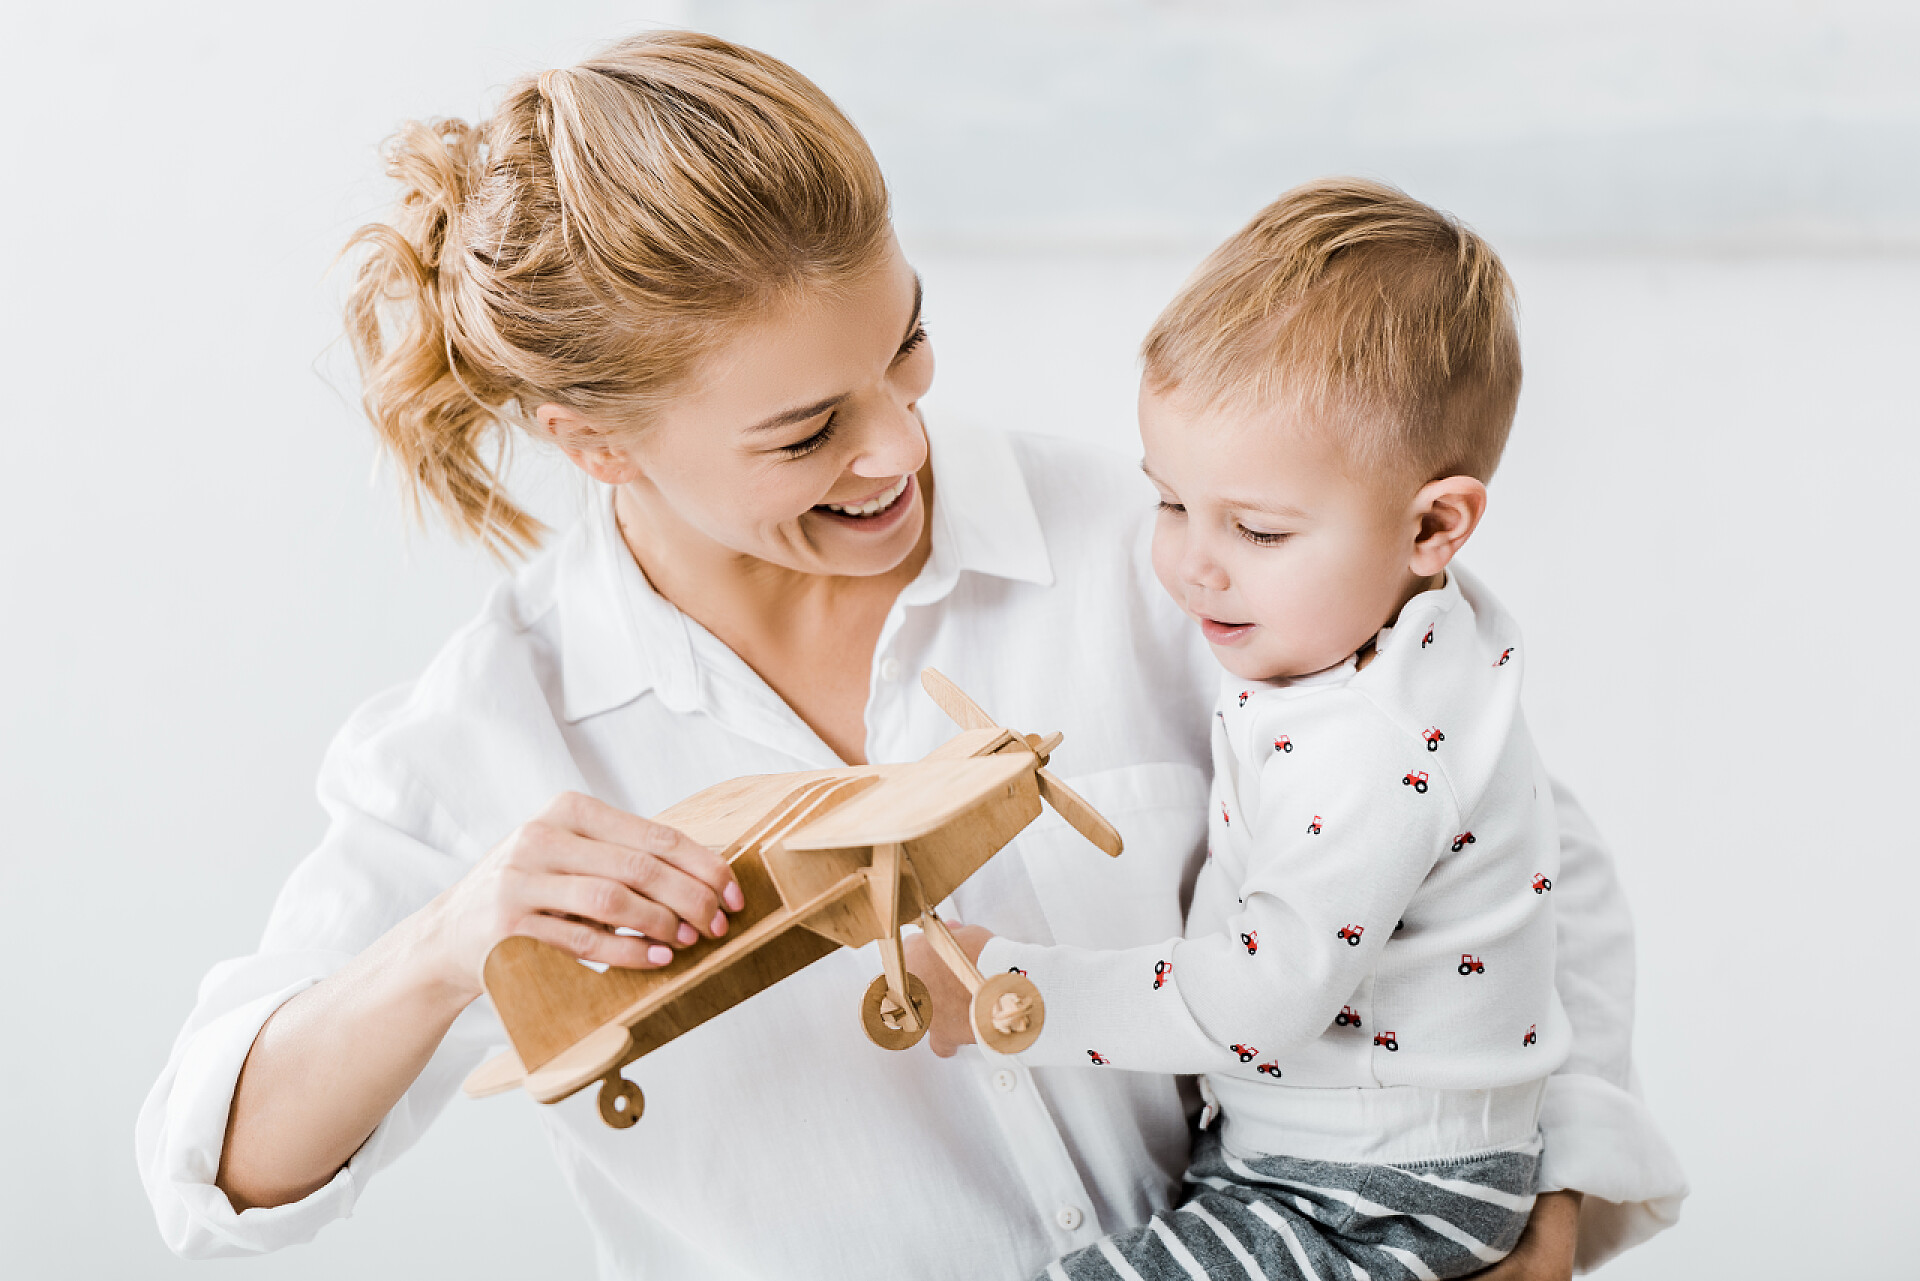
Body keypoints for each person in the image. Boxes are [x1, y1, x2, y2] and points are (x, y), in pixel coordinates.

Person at [135, 31, 1684, 1280]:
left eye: (907, 344)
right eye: (809, 428)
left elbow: (1522, 854)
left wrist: (1545, 1215)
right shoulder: (492, 734)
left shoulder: (1167, 551)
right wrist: (449, 939)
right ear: (594, 442)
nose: (898, 445)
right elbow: (212, 1179)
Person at [908, 179, 1686, 1280]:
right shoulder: (1408, 639)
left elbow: (1264, 995)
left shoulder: (1378, 743)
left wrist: (1014, 993)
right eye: (1169, 501)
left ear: (1434, 524)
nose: (1192, 563)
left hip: (1369, 1192)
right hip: (1312, 1156)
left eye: (1259, 531)